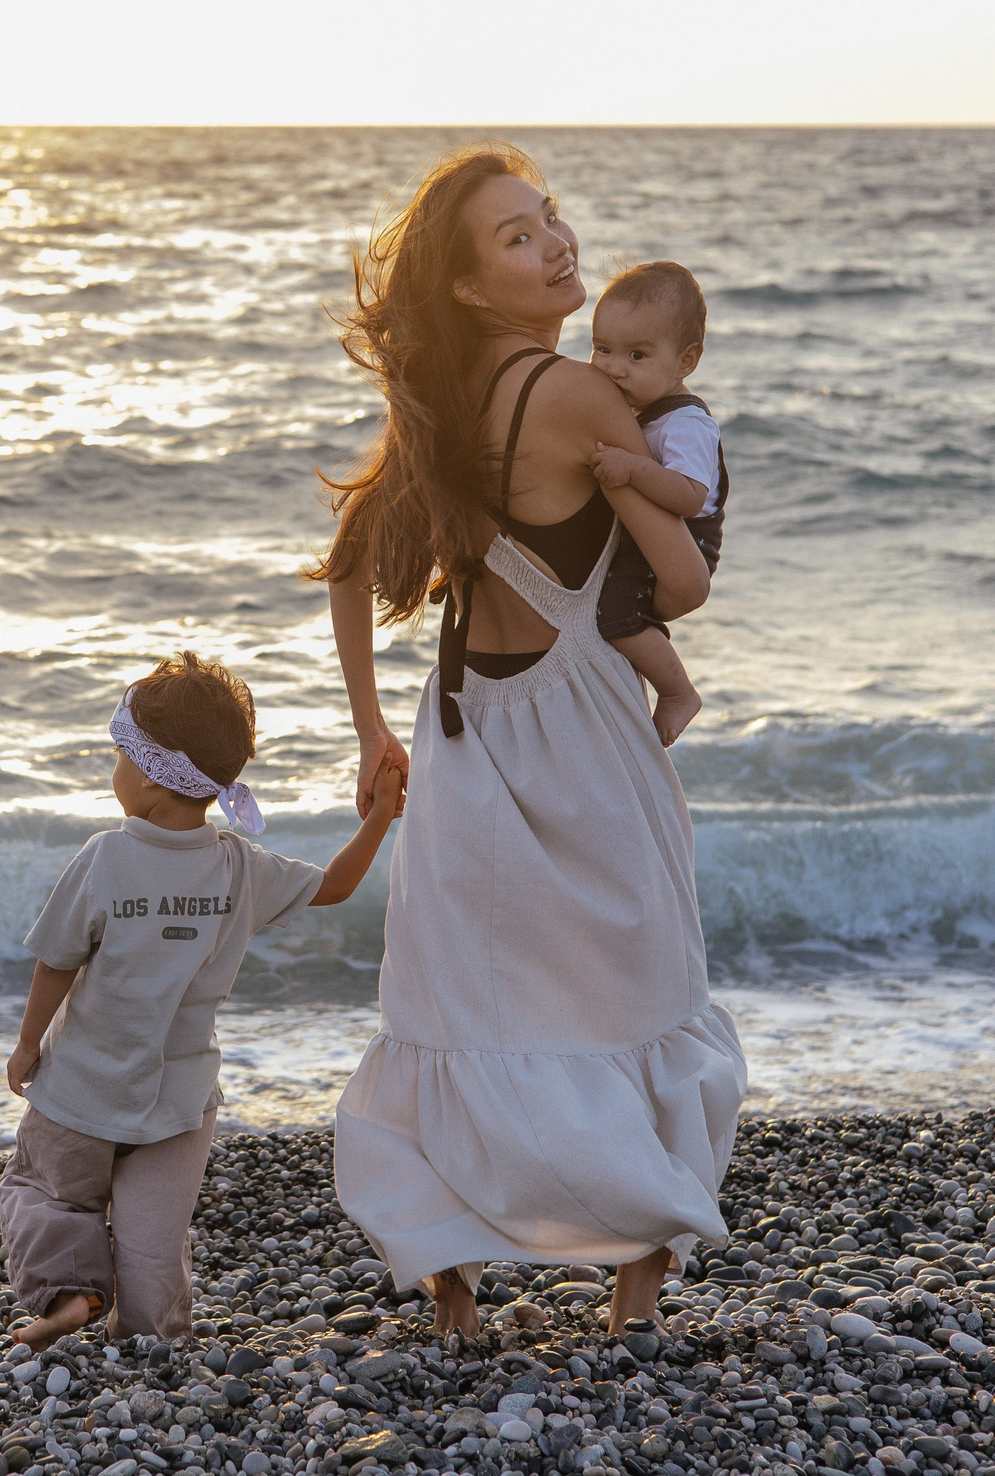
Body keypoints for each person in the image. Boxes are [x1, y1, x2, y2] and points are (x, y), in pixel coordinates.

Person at [308, 142, 748, 1339]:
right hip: (585, 726)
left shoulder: (434, 410)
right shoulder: (581, 397)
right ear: (466, 284)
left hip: (459, 731)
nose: (554, 242)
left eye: (549, 218)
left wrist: (366, 735)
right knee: (638, 985)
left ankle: (451, 1282)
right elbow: (683, 577)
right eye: (517, 235)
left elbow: (347, 570)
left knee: (458, 1003)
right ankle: (635, 1284)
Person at [0, 651, 404, 1350]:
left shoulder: (104, 858)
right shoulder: (239, 867)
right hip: (180, 1104)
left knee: (45, 1195)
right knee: (155, 1246)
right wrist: (380, 819)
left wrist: (29, 1043)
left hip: (85, 1089)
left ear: (152, 774)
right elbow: (334, 886)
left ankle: (68, 1295)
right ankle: (152, 1332)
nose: (114, 770)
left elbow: (56, 962)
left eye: (120, 756)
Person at [586, 260, 729, 747]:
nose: (613, 366)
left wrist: (634, 470)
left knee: (618, 618)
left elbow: (691, 496)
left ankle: (677, 692)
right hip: (652, 539)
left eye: (637, 355)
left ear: (686, 361)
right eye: (601, 349)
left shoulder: (686, 422)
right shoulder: (644, 410)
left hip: (688, 541)